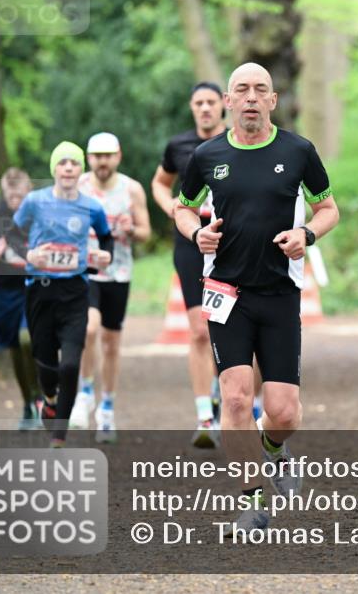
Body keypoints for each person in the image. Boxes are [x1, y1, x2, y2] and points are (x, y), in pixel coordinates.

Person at [175, 62, 339, 530]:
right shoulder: (207, 155)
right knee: (235, 398)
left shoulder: (298, 150)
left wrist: (306, 234)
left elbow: (329, 208)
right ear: (228, 101)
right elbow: (181, 208)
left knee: (284, 412)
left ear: (272, 100)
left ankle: (273, 446)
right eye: (241, 90)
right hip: (226, 291)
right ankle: (250, 502)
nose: (250, 97)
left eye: (259, 90)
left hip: (280, 293)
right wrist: (195, 234)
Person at [8, 142, 113, 447]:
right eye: (62, 162)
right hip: (39, 291)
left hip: (75, 292)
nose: (68, 167)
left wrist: (102, 258)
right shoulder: (34, 201)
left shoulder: (91, 206)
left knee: (69, 364)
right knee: (45, 361)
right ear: (54, 169)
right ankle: (49, 398)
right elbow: (13, 236)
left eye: (74, 163)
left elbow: (106, 238)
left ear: (81, 170)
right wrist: (30, 255)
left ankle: (59, 435)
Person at [151, 82, 226, 447]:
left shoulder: (235, 142)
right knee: (198, 330)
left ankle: (230, 395)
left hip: (230, 244)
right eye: (199, 102)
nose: (206, 108)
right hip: (191, 243)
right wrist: (173, 209)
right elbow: (160, 183)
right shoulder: (178, 146)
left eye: (211, 102)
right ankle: (205, 417)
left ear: (223, 106)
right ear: (192, 107)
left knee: (227, 327)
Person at [70, 132, 151, 443]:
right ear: (89, 159)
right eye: (96, 156)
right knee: (89, 330)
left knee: (112, 344)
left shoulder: (131, 189)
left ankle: (107, 408)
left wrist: (133, 229)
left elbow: (146, 231)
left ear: (118, 156)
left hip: (119, 273)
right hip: (86, 271)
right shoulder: (78, 187)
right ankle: (85, 391)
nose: (102, 162)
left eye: (107, 155)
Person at [0, 168, 41, 430]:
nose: (15, 202)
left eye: (20, 197)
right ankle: (28, 403)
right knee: (15, 348)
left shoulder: (39, 210)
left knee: (27, 340)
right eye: (11, 197)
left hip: (35, 287)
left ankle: (42, 398)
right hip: (6, 289)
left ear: (28, 192)